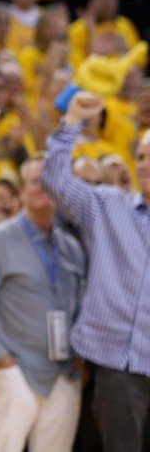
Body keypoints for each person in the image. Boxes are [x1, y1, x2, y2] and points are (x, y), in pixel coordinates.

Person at [41, 91, 150, 452]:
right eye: (141, 156)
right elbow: (56, 180)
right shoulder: (108, 205)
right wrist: (71, 123)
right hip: (118, 361)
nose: (145, 164)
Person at [0, 155, 85, 452]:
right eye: (35, 181)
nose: (43, 187)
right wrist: (0, 359)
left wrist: (82, 361)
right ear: (21, 191)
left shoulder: (72, 245)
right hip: (14, 373)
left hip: (64, 376)